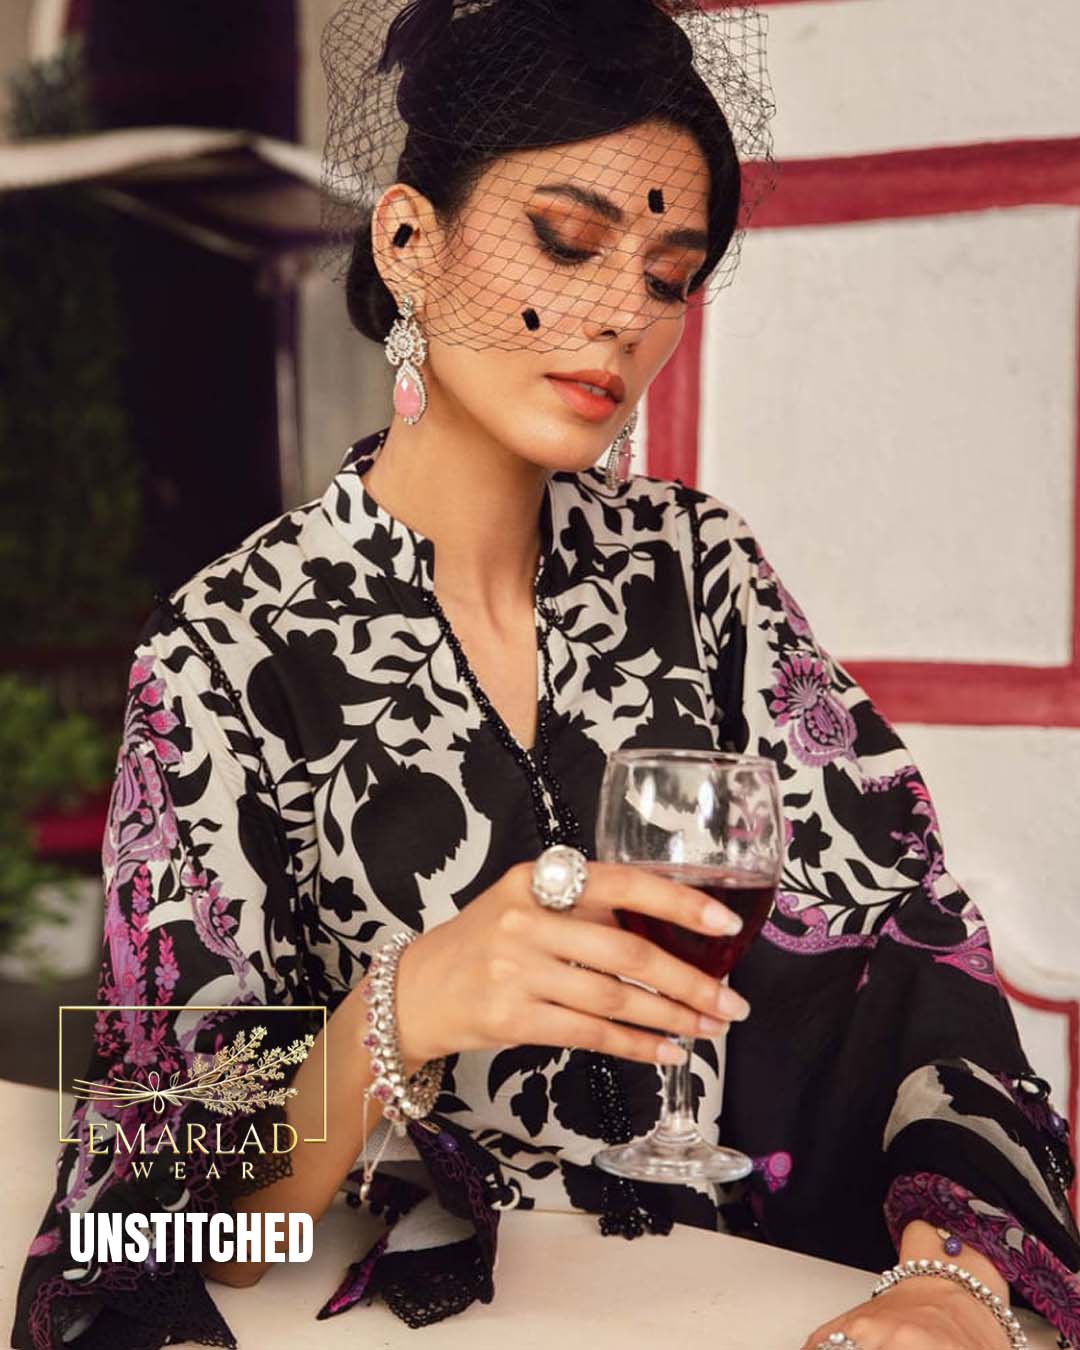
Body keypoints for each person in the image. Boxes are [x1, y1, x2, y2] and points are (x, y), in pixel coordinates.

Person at [12, 2, 1080, 1348]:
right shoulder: (228, 649)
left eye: (669, 275)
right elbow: (173, 1221)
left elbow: (913, 948)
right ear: (408, 241)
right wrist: (407, 1006)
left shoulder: (699, 573)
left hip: (743, 1307)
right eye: (570, 240)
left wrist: (951, 1285)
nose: (622, 313)